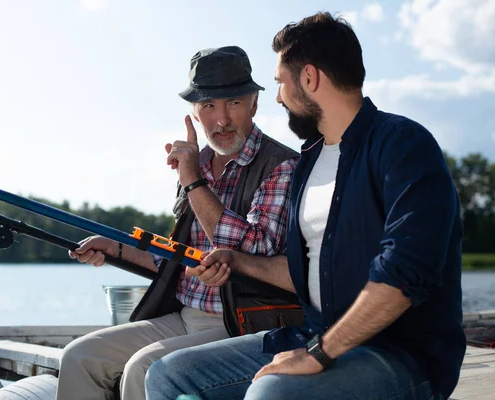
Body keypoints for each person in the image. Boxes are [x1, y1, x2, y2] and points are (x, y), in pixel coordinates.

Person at [145, 12, 465, 400]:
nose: (278, 97)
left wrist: (319, 353)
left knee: (272, 394)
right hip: (315, 338)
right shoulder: (310, 160)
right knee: (167, 375)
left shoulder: (404, 146)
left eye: (280, 82)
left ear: (309, 79)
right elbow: (308, 270)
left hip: (397, 356)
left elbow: (404, 275)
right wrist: (238, 260)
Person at [55, 46, 301, 400]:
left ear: (254, 104)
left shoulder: (281, 165)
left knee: (144, 368)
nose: (221, 120)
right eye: (209, 106)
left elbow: (254, 249)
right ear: (195, 114)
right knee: (79, 356)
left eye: (232, 102)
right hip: (185, 315)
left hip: (244, 326)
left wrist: (193, 182)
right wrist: (117, 248)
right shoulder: (196, 163)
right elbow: (180, 258)